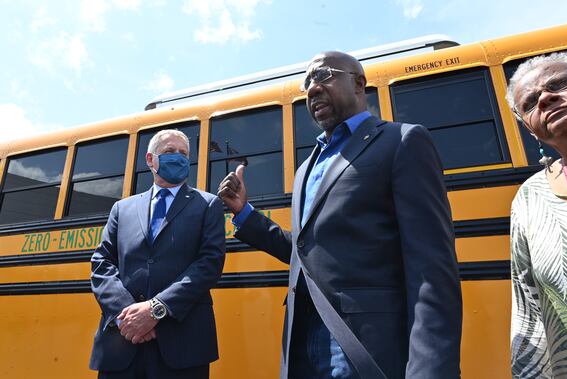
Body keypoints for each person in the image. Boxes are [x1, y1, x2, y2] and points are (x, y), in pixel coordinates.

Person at [218, 51, 462, 378]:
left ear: (359, 83)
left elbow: (431, 268)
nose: (312, 89)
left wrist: (431, 371)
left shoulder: (400, 141)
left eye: (323, 76)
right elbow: (307, 253)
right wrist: (245, 213)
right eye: (306, 83)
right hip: (304, 341)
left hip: (364, 343)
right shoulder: (307, 168)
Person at [89, 129, 225, 379]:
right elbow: (102, 263)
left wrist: (156, 309)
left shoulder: (208, 205)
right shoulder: (122, 208)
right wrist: (128, 316)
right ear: (151, 160)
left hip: (182, 347)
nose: (178, 157)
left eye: (183, 153)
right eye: (170, 152)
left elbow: (209, 264)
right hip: (123, 342)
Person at [506, 52, 567, 378]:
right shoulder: (530, 200)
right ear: (531, 131)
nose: (545, 98)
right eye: (530, 103)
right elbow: (528, 310)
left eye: (561, 82)